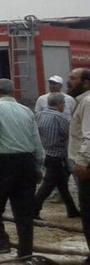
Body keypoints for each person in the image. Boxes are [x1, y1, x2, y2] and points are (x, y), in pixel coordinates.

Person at [0, 78, 45, 258]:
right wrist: (38, 167)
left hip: (3, 162)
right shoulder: (26, 111)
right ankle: (25, 252)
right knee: (24, 211)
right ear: (12, 92)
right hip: (27, 162)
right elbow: (36, 142)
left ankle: (1, 242)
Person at [33, 92, 80, 219]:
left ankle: (72, 210)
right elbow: (69, 136)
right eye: (63, 104)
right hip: (57, 155)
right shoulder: (60, 118)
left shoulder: (39, 116)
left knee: (62, 184)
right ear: (59, 104)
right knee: (48, 184)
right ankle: (34, 209)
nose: (64, 106)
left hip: (45, 153)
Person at [67, 68, 90, 255]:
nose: (69, 81)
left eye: (73, 78)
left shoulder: (88, 102)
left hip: (87, 166)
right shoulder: (83, 101)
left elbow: (88, 135)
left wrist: (82, 162)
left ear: (86, 83)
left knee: (88, 214)